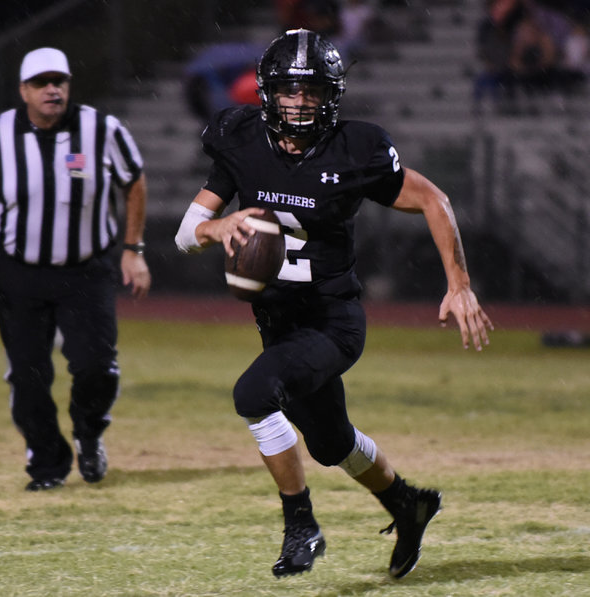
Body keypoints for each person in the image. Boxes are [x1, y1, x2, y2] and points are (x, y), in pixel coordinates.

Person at [175, 29, 493, 579]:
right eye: (290, 91)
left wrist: (458, 282)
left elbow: (434, 199)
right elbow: (186, 231)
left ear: (332, 96)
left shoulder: (354, 149)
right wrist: (217, 226)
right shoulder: (240, 139)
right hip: (277, 323)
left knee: (253, 395)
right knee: (332, 444)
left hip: (331, 321)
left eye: (313, 92)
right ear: (268, 94)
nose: (300, 104)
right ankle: (408, 505)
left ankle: (301, 524)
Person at [0, 47, 151, 491]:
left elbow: (135, 182)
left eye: (59, 81)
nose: (53, 89)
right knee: (27, 374)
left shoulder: (101, 130)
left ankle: (88, 433)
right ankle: (47, 464)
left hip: (85, 270)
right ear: (23, 90)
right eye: (42, 82)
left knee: (95, 366)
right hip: (20, 273)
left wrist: (133, 248)